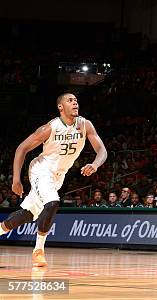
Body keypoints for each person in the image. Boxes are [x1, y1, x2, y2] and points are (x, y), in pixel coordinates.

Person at [0, 93, 107, 267]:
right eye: (70, 100)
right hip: (40, 170)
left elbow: (102, 150)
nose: (75, 103)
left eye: (76, 100)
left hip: (58, 176)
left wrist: (95, 164)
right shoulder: (49, 128)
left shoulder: (85, 125)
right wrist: (16, 180)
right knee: (52, 202)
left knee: (26, 215)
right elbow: (22, 148)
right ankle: (38, 251)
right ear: (60, 107)